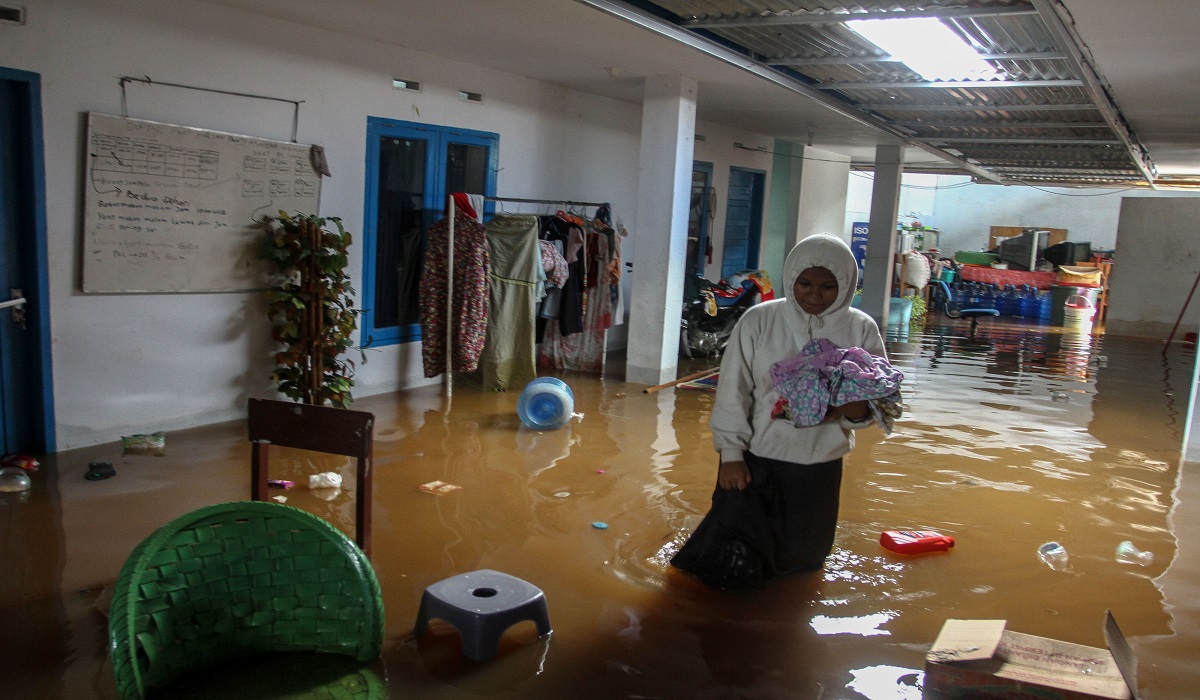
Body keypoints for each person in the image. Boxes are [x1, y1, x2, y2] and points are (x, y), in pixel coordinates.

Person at [671, 233, 891, 589]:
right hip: (756, 459)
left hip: (819, 468)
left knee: (801, 563)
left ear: (846, 285)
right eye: (804, 284)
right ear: (791, 279)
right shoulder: (759, 320)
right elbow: (733, 391)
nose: (814, 295)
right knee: (726, 561)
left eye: (828, 286)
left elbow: (877, 402)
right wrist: (731, 454)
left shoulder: (861, 329)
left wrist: (850, 410)